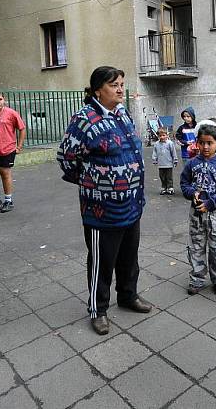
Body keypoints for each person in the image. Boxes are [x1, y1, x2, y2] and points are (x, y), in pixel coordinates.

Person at [57, 66, 153, 335]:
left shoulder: (122, 113)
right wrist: (94, 183)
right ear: (98, 89)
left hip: (132, 203)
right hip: (102, 208)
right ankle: (98, 309)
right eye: (114, 85)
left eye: (122, 83)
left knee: (129, 256)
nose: (121, 89)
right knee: (102, 261)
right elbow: (67, 158)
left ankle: (128, 295)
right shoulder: (84, 119)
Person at [180, 123, 216, 295]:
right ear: (197, 143)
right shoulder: (191, 163)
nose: (205, 147)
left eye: (209, 143)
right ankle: (197, 278)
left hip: (215, 213)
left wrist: (211, 203)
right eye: (202, 143)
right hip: (196, 214)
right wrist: (191, 193)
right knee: (196, 246)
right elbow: (184, 183)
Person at [152, 127, 178, 194]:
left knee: (169, 177)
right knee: (162, 176)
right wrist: (154, 159)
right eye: (160, 136)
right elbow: (154, 152)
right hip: (161, 164)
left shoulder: (170, 143)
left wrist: (175, 160)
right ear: (158, 136)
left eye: (164, 135)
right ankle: (164, 187)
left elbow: (173, 152)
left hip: (168, 164)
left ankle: (170, 187)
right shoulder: (156, 144)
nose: (162, 137)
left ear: (167, 135)